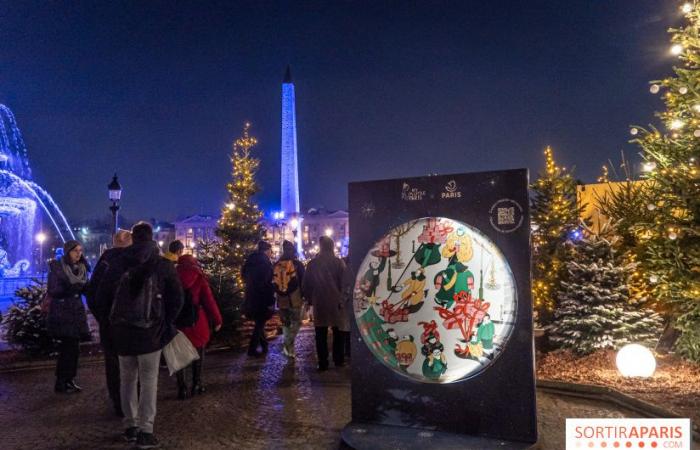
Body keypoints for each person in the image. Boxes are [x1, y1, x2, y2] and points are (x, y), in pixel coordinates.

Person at [95, 222, 183, 448]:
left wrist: (108, 323)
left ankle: (130, 425)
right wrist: (166, 322)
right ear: (152, 238)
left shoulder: (116, 263)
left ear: (133, 238)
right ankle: (146, 430)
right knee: (149, 381)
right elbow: (177, 299)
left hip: (122, 332)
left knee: (127, 379)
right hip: (150, 332)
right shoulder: (163, 265)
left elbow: (100, 298)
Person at [86, 229, 132, 416]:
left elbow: (91, 294)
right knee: (132, 363)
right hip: (132, 324)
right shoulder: (135, 262)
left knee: (113, 364)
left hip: (109, 324)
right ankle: (132, 402)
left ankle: (118, 402)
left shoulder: (104, 262)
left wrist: (103, 318)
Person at [175, 251, 222, 399]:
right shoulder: (199, 277)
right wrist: (217, 319)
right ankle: (197, 383)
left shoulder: (172, 277)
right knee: (199, 353)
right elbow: (209, 301)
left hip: (178, 321)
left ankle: (182, 388)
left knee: (179, 356)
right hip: (197, 321)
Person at [47, 240, 91, 394]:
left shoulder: (82, 269)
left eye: (80, 250)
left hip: (76, 312)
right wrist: (71, 288)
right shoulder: (58, 268)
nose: (78, 254)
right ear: (67, 252)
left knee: (73, 349)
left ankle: (69, 380)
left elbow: (86, 288)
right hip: (63, 312)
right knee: (68, 348)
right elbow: (53, 290)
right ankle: (62, 381)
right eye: (75, 251)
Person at [303, 236, 349, 371]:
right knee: (338, 332)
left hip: (319, 301)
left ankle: (323, 362)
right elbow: (345, 282)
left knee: (320, 333)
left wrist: (309, 299)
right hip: (336, 301)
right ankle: (338, 359)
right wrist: (343, 298)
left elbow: (306, 284)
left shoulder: (312, 264)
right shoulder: (338, 262)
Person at [241, 240, 275, 357]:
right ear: (267, 250)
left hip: (250, 294)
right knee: (260, 323)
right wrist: (271, 299)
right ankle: (252, 349)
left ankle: (265, 346)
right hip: (261, 297)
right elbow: (268, 283)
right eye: (271, 251)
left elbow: (243, 276)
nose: (271, 253)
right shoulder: (265, 263)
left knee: (259, 322)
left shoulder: (250, 260)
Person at [273, 240, 305, 358]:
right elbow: (303, 281)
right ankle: (288, 345)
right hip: (295, 298)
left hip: (282, 299)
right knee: (297, 322)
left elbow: (273, 282)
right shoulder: (297, 264)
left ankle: (289, 349)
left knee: (286, 323)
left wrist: (280, 292)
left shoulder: (276, 264)